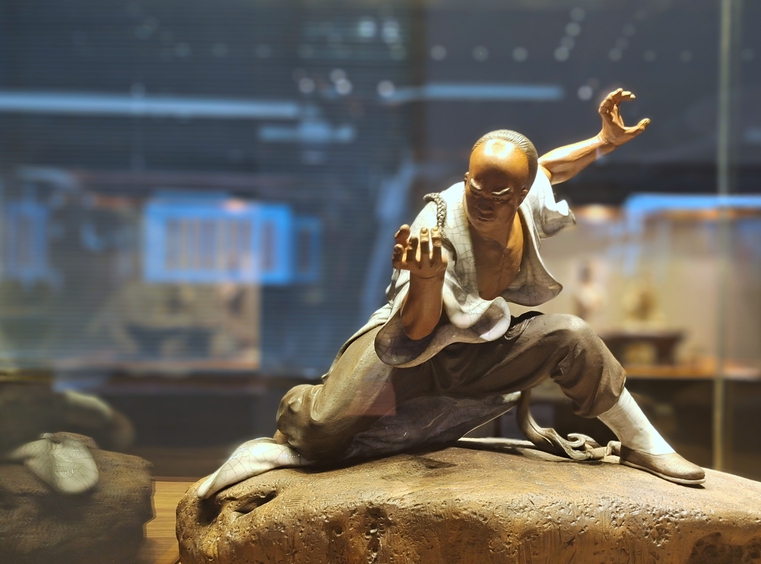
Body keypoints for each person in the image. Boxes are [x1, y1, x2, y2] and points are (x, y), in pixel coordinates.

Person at [197, 88, 704, 499]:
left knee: (574, 336)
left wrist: (602, 141)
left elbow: (551, 168)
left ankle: (644, 445)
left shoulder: (526, 197)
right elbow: (414, 331)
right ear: (467, 179)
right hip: (405, 350)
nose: (482, 201)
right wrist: (426, 279)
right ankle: (299, 412)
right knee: (320, 433)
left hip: (474, 350)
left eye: (498, 194)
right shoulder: (436, 225)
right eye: (475, 188)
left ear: (521, 193)